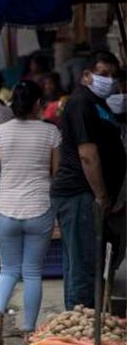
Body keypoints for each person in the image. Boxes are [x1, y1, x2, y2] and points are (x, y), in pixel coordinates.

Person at [0, 80, 61, 345]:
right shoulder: (51, 133)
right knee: (33, 272)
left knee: (9, 269)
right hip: (39, 208)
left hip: (6, 209)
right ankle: (28, 332)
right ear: (38, 104)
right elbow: (56, 175)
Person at [51, 51, 126, 310]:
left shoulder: (98, 104)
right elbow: (88, 155)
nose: (109, 80)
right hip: (80, 194)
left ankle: (77, 322)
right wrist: (101, 195)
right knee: (83, 265)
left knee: (81, 263)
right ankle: (80, 330)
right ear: (86, 76)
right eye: (103, 74)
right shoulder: (81, 103)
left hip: (86, 196)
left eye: (113, 76)